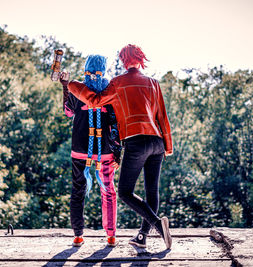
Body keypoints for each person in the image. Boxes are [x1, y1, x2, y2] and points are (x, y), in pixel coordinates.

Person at [65, 44, 173, 249]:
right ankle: (142, 237)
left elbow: (95, 101)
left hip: (136, 141)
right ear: (141, 59)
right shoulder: (153, 83)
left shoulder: (118, 83)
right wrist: (168, 146)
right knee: (152, 191)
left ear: (123, 60)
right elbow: (162, 116)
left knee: (124, 192)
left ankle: (158, 225)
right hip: (157, 142)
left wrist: (72, 85)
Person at [60, 55, 121, 247]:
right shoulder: (110, 91)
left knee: (78, 190)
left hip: (80, 148)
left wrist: (65, 86)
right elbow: (116, 122)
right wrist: (118, 152)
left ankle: (78, 235)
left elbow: (68, 111)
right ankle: (110, 235)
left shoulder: (78, 89)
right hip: (105, 150)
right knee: (108, 191)